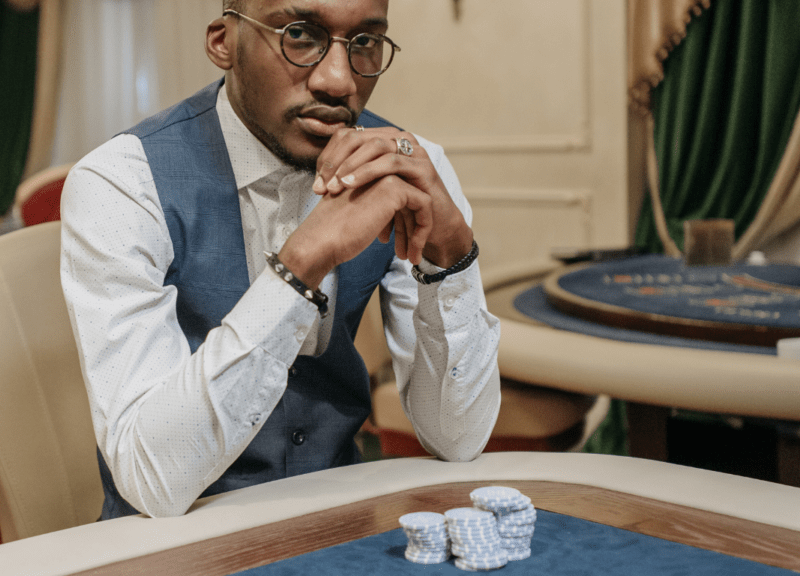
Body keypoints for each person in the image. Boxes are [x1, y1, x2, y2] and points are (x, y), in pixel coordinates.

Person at [60, 0, 501, 520]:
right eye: (300, 34)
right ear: (224, 41)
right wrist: (300, 266)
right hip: (171, 538)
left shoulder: (408, 170)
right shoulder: (122, 183)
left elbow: (458, 437)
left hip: (339, 525)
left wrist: (450, 258)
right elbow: (149, 482)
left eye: (364, 43)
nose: (338, 81)